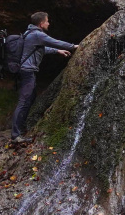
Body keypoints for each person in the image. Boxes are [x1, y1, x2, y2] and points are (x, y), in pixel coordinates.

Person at [11, 11, 79, 139]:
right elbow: (55, 41)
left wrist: (57, 51)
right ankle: (15, 135)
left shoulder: (29, 33)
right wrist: (72, 46)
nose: (49, 23)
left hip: (24, 70)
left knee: (30, 99)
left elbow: (40, 49)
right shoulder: (37, 34)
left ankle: (21, 128)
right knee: (24, 101)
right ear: (41, 23)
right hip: (27, 72)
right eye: (47, 21)